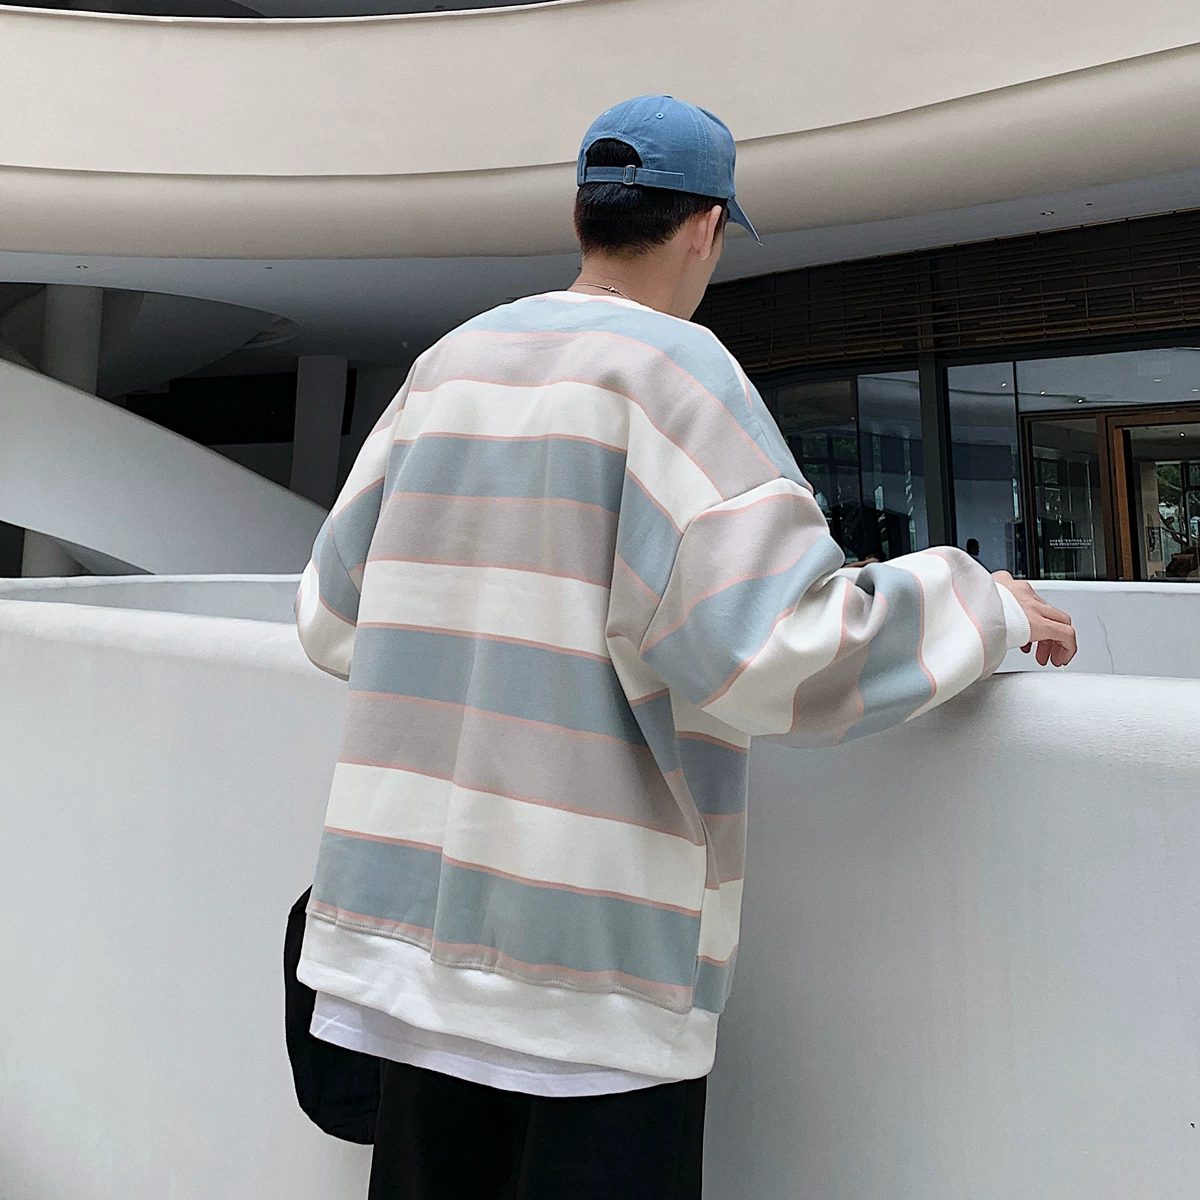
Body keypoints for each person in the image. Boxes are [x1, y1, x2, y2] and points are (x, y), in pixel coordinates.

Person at [294, 95, 1077, 1199]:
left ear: (582, 216)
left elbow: (332, 617)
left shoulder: (449, 365)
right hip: (586, 981)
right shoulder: (679, 373)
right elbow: (773, 650)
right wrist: (980, 605)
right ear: (708, 227)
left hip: (405, 962)